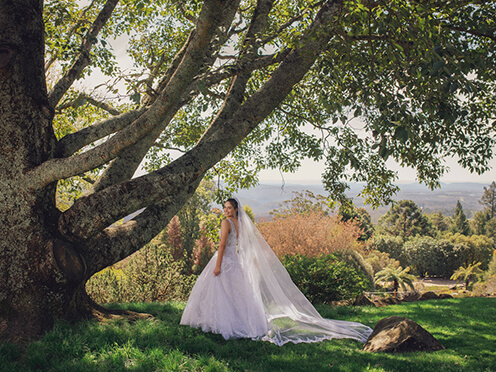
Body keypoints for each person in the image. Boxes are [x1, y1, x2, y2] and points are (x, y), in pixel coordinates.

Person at [180, 198, 372, 346]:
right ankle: (240, 322)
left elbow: (222, 245)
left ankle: (221, 323)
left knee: (222, 292)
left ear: (236, 209)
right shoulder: (240, 224)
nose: (226, 211)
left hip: (226, 260)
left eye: (229, 208)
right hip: (235, 261)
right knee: (236, 294)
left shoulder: (225, 223)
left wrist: (218, 265)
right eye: (225, 208)